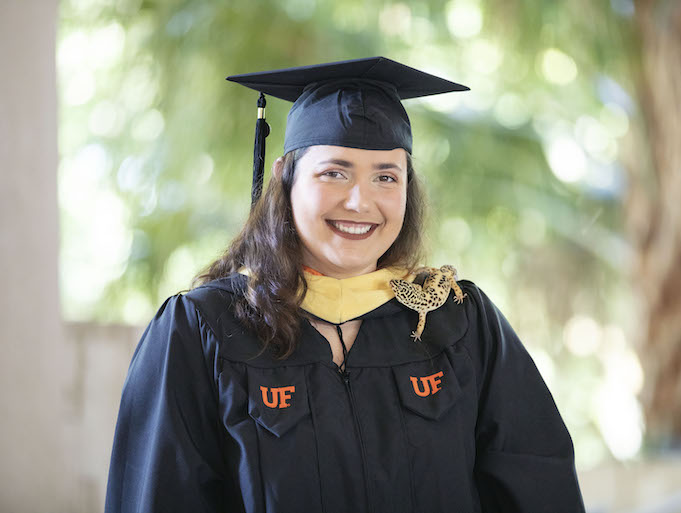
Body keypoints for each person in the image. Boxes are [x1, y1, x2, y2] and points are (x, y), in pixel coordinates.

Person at [105, 57, 585, 513]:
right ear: (285, 178)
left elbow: (539, 489)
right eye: (334, 172)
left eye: (385, 177)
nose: (360, 202)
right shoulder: (205, 330)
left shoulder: (458, 323)